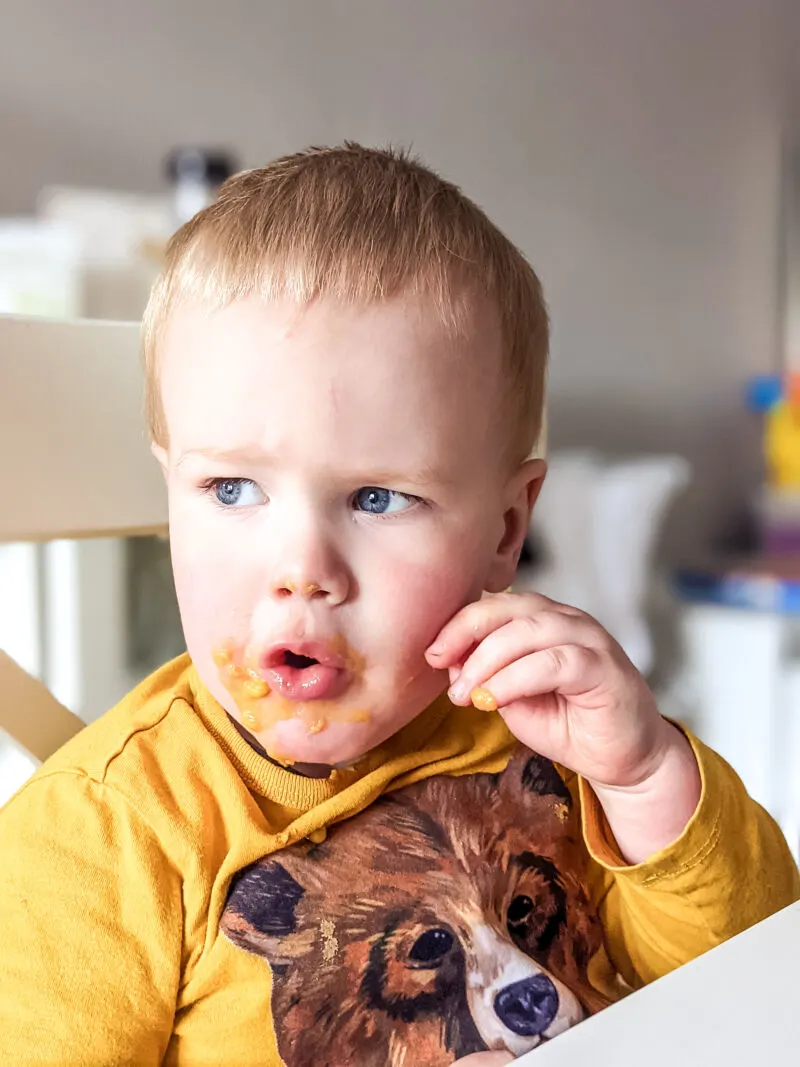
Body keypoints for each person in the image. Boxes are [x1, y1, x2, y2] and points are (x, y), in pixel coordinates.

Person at [0, 144, 797, 1067]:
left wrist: (647, 778)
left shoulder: (551, 743)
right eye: (230, 489)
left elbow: (746, 982)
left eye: (378, 498)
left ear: (506, 529)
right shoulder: (103, 839)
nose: (300, 567)